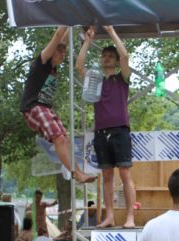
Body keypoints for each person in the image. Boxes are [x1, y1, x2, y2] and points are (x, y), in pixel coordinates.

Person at [76, 25, 136, 228]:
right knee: (107, 175)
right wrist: (88, 41)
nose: (106, 58)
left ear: (116, 61)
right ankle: (109, 216)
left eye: (111, 56)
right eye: (104, 56)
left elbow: (125, 56)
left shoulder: (122, 78)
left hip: (120, 130)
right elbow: (79, 66)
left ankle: (130, 217)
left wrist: (110, 31)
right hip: (101, 132)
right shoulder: (96, 81)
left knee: (125, 173)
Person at [20, 26, 96, 184]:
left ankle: (79, 172)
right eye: (59, 51)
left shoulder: (53, 67)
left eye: (64, 52)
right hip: (33, 107)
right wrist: (67, 19)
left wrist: (75, 24)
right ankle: (76, 174)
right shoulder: (42, 61)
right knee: (59, 139)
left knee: (66, 140)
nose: (63, 54)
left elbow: (64, 40)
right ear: (52, 51)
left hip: (45, 107)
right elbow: (58, 36)